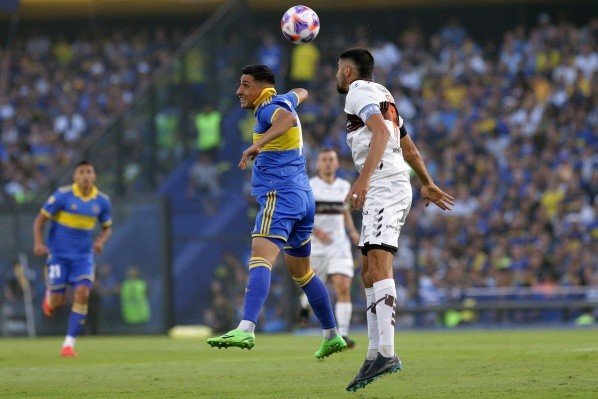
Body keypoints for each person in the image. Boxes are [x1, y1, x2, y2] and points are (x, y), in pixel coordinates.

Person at [207, 64, 347, 358]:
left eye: (245, 85)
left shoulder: (267, 109)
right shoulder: (281, 98)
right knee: (303, 273)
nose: (239, 91)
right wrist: (292, 94)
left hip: (280, 196)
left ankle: (246, 327)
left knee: (260, 258)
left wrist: (257, 145)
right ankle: (332, 335)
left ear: (261, 87)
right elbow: (301, 93)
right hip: (304, 198)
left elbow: (288, 120)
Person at [336, 49, 455, 391]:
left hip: (384, 184)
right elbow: (409, 147)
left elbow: (382, 134)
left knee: (379, 265)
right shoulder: (383, 93)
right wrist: (427, 182)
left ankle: (386, 352)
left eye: (337, 70)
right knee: (368, 270)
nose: (337, 76)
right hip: (389, 183)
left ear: (347, 71)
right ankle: (375, 352)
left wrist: (363, 179)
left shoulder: (358, 92)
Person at [33, 160, 112, 357]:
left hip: (83, 258)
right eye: (82, 172)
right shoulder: (63, 195)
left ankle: (68, 345)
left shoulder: (102, 201)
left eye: (89, 171)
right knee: (57, 303)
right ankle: (50, 298)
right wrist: (39, 243)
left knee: (83, 293)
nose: (86, 175)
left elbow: (106, 227)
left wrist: (101, 241)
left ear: (94, 176)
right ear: (75, 176)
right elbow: (40, 220)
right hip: (59, 257)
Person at [298, 148, 360, 348]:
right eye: (324, 159)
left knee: (343, 286)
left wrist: (352, 232)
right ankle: (304, 306)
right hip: (315, 248)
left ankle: (342, 334)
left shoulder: (344, 186)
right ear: (318, 163)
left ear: (337, 163)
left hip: (339, 246)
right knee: (315, 290)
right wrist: (317, 232)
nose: (328, 163)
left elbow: (344, 212)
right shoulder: (310, 186)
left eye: (331, 159)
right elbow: (302, 215)